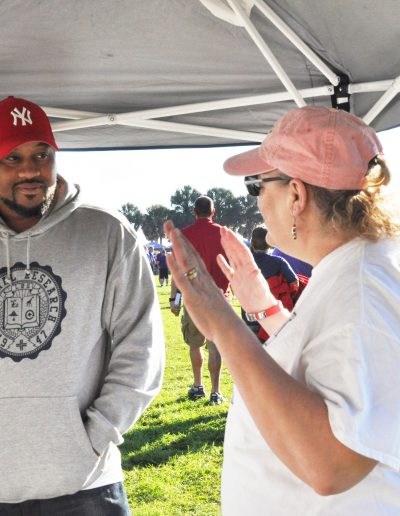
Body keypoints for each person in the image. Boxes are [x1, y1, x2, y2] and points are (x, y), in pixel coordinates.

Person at [165, 105, 400, 514]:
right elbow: (326, 361)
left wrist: (224, 326)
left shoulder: (361, 289)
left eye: (258, 186)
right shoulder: (354, 270)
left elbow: (332, 464)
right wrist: (266, 309)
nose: (257, 201)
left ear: (296, 195)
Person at [0, 96, 165, 515]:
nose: (30, 170)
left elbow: (141, 346)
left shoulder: (106, 232)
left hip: (85, 485)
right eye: (11, 157)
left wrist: (96, 435)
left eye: (42, 154)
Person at [169, 196, 229, 405]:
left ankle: (198, 386)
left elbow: (177, 270)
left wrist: (174, 299)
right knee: (215, 346)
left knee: (195, 344)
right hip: (218, 298)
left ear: (194, 212)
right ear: (213, 212)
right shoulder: (223, 234)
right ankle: (215, 391)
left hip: (193, 298)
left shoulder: (183, 236)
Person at [242, 226, 298, 340]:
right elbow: (294, 283)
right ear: (269, 242)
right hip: (272, 316)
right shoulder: (279, 263)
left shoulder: (243, 262)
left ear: (252, 242)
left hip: (250, 317)